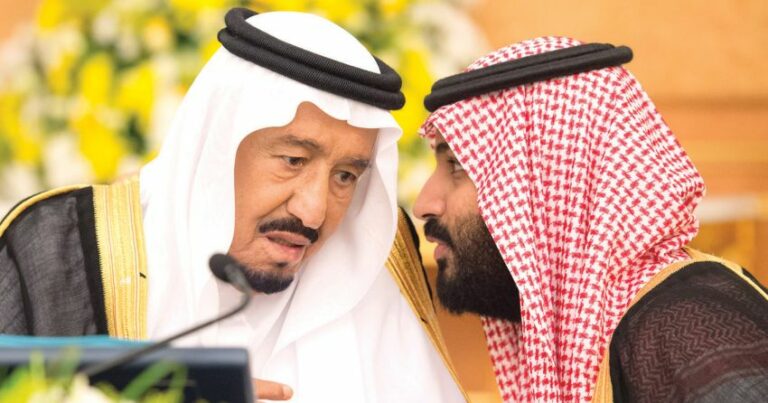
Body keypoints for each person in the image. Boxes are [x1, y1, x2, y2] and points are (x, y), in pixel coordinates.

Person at [0, 8, 466, 402]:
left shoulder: (378, 271)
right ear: (216, 147)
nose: (313, 212)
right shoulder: (57, 252)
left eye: (345, 176)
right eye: (293, 160)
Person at [413, 37, 768, 402]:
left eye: (457, 166)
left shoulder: (683, 327)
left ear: (553, 177)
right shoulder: (623, 324)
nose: (424, 204)